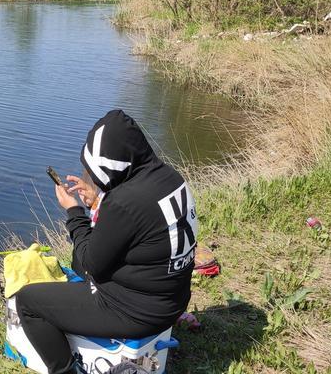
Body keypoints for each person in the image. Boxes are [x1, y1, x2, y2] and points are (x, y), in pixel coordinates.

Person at [14, 109, 198, 374]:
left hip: (138, 313)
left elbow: (93, 265)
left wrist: (74, 211)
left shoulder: (124, 202)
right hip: (172, 298)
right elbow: (133, 228)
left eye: (96, 169)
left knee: (28, 301)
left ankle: (64, 371)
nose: (93, 175)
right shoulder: (168, 177)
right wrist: (97, 200)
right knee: (78, 257)